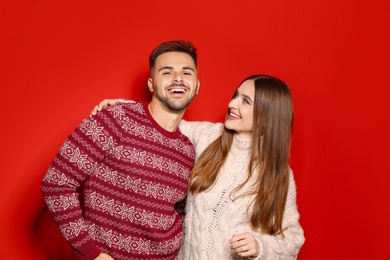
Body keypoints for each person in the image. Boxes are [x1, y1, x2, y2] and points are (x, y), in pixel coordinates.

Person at [92, 75, 305, 259]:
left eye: (246, 101)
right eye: (236, 96)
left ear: (267, 117)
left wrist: (260, 247)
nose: (232, 104)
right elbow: (163, 122)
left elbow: (293, 239)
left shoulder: (278, 174)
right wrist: (122, 108)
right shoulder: (208, 136)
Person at [40, 40, 200, 260]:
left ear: (197, 85)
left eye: (186, 72)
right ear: (152, 84)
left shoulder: (187, 149)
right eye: (167, 72)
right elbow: (56, 182)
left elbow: (178, 210)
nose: (178, 78)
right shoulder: (115, 118)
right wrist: (90, 252)